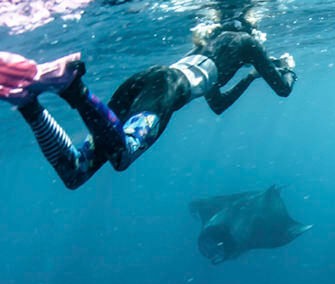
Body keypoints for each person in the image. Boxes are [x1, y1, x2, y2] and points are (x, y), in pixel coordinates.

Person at [0, 16, 296, 189]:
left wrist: (250, 77)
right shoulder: (249, 44)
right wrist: (288, 69)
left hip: (146, 78)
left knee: (76, 173)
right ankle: (74, 89)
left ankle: (28, 103)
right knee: (122, 156)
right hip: (166, 89)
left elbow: (217, 103)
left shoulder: (214, 43)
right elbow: (283, 90)